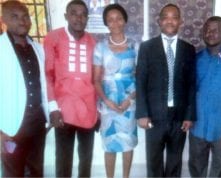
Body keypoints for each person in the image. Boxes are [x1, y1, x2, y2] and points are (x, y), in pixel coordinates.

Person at [136, 3, 196, 177]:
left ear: (180, 22)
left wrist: (189, 115)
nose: (170, 21)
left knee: (175, 161)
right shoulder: (147, 47)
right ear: (159, 21)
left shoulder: (188, 49)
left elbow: (191, 84)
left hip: (179, 117)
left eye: (174, 17)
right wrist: (142, 113)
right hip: (153, 115)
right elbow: (140, 81)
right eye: (166, 17)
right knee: (153, 161)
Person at [43, 0, 98, 177]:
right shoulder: (53, 38)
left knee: (86, 157)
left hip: (88, 109)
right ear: (66, 16)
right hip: (63, 110)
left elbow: (97, 78)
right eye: (74, 13)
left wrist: (99, 111)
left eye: (83, 14)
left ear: (87, 18)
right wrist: (53, 107)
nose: (79, 18)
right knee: (63, 157)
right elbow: (48, 74)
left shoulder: (92, 42)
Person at [0, 1, 48, 177]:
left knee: (36, 172)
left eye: (25, 16)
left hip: (37, 124)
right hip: (10, 128)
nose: (22, 21)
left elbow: (44, 84)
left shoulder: (38, 48)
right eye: (15, 16)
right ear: (3, 19)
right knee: (13, 173)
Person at [188, 16, 221, 178]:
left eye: (215, 30)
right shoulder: (196, 58)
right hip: (199, 124)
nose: (210, 33)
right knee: (196, 165)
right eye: (207, 30)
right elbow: (190, 90)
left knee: (220, 166)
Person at [93, 4, 137, 178]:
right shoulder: (100, 47)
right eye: (110, 19)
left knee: (128, 143)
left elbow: (141, 77)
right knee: (110, 143)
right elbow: (96, 80)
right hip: (108, 98)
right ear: (106, 23)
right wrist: (106, 100)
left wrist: (130, 99)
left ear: (125, 20)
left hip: (130, 98)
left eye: (118, 18)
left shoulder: (135, 45)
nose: (115, 22)